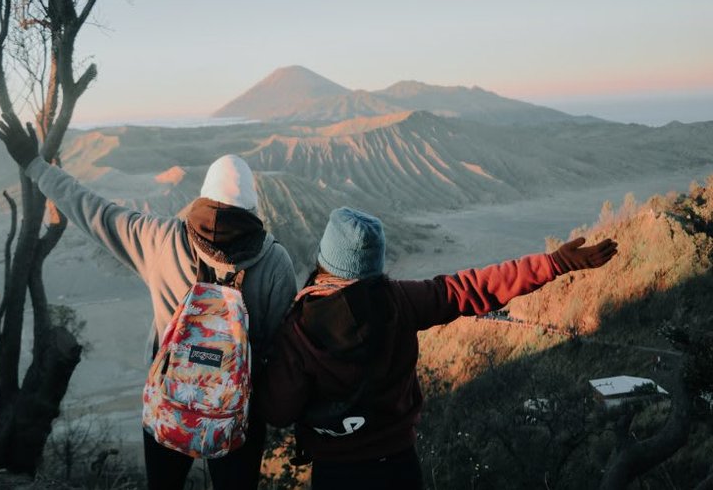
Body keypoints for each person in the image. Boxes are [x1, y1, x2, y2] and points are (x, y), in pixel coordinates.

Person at [0, 112, 298, 490]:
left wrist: (33, 163)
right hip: (236, 413)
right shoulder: (275, 262)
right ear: (252, 207)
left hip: (169, 401)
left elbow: (91, 209)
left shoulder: (160, 239)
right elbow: (280, 349)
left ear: (203, 196)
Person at [260, 206, 618, 490]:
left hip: (337, 472)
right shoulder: (401, 300)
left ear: (325, 260)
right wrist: (554, 263)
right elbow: (472, 288)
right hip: (399, 465)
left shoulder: (299, 328)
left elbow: (279, 411)